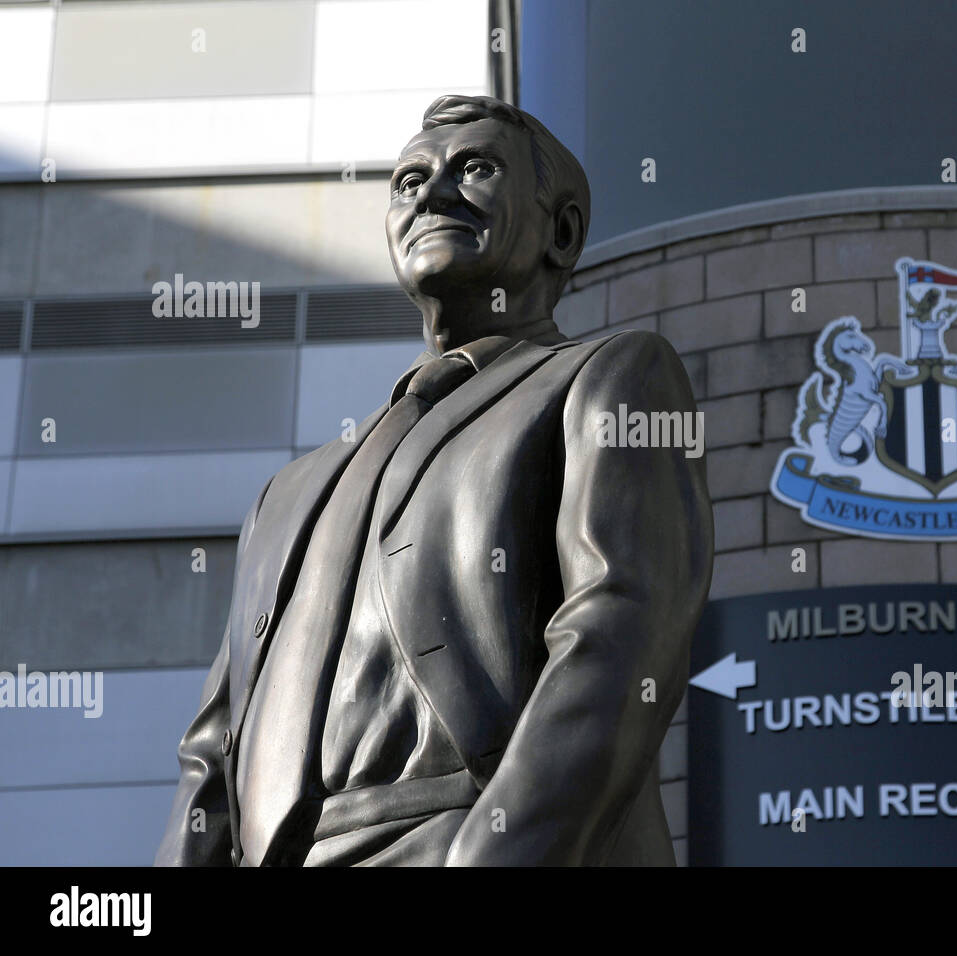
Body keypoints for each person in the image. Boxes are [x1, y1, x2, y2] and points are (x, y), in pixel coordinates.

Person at [155, 95, 712, 866]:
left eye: (475, 170)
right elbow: (212, 752)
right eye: (409, 181)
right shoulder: (286, 496)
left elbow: (618, 638)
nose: (433, 194)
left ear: (562, 232)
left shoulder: (611, 379)